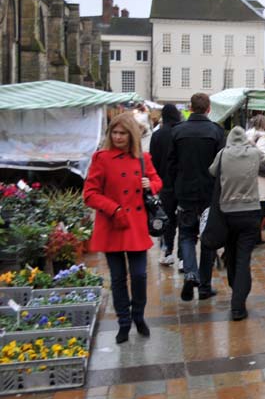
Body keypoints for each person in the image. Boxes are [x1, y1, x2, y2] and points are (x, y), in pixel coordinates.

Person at [83, 113, 162, 344]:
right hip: (112, 225)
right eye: (114, 133)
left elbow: (158, 181)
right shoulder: (101, 158)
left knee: (139, 275)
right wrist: (113, 208)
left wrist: (152, 184)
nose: (117, 137)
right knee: (118, 278)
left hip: (135, 226)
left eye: (122, 133)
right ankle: (124, 322)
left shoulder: (142, 159)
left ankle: (138, 315)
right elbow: (89, 194)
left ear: (132, 135)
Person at [168, 92, 226, 302]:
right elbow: (222, 165)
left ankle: (191, 272)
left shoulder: (178, 131)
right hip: (209, 194)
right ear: (208, 108)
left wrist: (175, 186)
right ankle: (204, 285)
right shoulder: (217, 131)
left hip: (185, 192)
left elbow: (171, 164)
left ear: (190, 108)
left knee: (186, 235)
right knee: (208, 238)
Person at [210, 126, 265, 321]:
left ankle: (237, 291)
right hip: (250, 211)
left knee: (232, 255)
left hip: (227, 212)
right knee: (244, 259)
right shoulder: (253, 153)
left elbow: (212, 171)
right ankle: (238, 304)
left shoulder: (223, 153)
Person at [149, 104, 182, 266]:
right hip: (182, 183)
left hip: (164, 184)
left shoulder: (158, 135)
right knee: (184, 219)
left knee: (167, 219)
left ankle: (167, 251)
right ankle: (183, 256)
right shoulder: (182, 132)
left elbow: (152, 162)